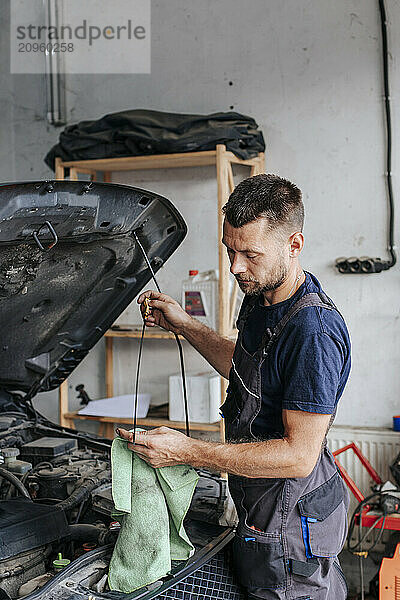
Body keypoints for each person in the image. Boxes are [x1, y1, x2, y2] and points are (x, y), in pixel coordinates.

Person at [117, 174, 351, 600]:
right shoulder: (261, 294)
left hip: (291, 524)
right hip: (257, 502)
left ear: (294, 245)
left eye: (250, 254)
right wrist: (186, 326)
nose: (235, 267)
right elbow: (248, 369)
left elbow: (299, 456)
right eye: (230, 249)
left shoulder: (312, 332)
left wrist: (187, 451)